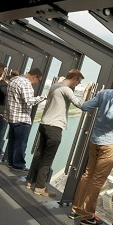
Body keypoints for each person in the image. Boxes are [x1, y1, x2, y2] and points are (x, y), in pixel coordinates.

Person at [68, 73, 113, 225]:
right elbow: (112, 114)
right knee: (97, 180)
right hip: (109, 144)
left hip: (95, 140)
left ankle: (76, 209)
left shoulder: (104, 92)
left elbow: (85, 106)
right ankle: (87, 216)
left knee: (87, 175)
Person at [26, 69, 89, 198]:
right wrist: (86, 92)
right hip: (54, 127)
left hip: (44, 124)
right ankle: (40, 187)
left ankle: (30, 181)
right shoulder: (66, 90)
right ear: (75, 78)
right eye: (78, 82)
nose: (77, 85)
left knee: (39, 154)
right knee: (47, 158)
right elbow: (81, 105)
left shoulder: (55, 86)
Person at [4, 67, 47, 172]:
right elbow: (29, 101)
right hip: (22, 118)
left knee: (12, 141)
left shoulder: (14, 80)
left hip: (12, 117)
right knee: (21, 143)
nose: (37, 83)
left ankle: (11, 162)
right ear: (34, 76)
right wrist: (45, 96)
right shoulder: (25, 83)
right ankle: (18, 165)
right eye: (38, 80)